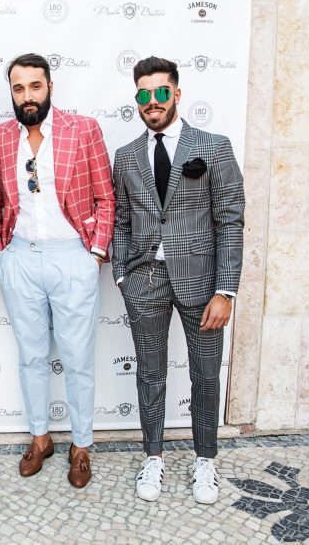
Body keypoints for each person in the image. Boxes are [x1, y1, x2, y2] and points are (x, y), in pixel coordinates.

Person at [111, 56, 244, 505]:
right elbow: (122, 220)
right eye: (143, 94)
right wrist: (122, 274)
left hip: (202, 285)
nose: (153, 101)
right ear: (137, 100)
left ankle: (205, 460)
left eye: (161, 92)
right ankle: (153, 456)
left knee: (206, 376)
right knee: (150, 375)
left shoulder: (214, 146)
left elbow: (230, 221)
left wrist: (225, 290)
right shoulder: (126, 156)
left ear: (177, 94)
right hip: (144, 282)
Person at [0, 53, 114, 488]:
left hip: (73, 256)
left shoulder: (83, 129)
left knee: (78, 359)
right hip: (20, 258)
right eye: (19, 88)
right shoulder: (1, 136)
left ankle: (81, 445)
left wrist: (94, 254)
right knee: (31, 356)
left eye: (35, 86)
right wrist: (1, 254)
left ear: (50, 87)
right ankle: (40, 438)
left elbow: (106, 197)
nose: (27, 96)